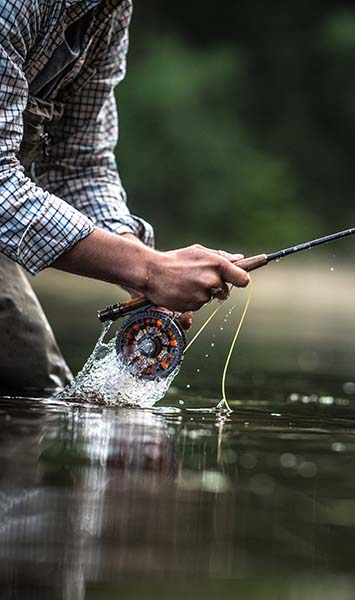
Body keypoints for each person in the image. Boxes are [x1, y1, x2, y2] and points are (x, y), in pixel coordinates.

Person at [0, 0, 249, 395]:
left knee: (38, 389)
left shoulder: (110, 10)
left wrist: (144, 273)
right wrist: (147, 270)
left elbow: (78, 163)